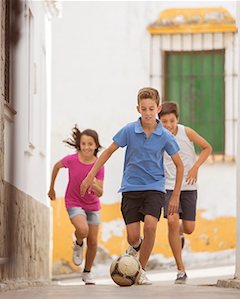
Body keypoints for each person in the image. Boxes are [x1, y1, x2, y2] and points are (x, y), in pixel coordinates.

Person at [80, 87, 184, 285]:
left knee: (151, 226)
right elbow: (108, 151)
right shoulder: (129, 130)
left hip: (155, 187)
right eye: (143, 109)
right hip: (130, 188)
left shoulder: (165, 136)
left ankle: (140, 270)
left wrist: (175, 195)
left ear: (158, 108)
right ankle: (135, 248)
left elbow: (179, 164)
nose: (147, 113)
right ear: (138, 108)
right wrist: (89, 176)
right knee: (133, 237)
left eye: (151, 109)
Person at [158, 101, 212, 284]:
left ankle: (179, 233)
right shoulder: (157, 136)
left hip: (188, 186)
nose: (168, 125)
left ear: (177, 119)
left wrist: (196, 167)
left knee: (188, 228)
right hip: (168, 186)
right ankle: (180, 269)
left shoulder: (186, 132)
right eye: (164, 121)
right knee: (172, 221)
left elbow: (207, 147)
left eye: (171, 121)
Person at [48, 125, 104, 285]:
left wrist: (93, 183)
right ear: (79, 145)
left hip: (92, 204)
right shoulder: (71, 160)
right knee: (83, 230)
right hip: (73, 201)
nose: (86, 147)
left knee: (93, 242)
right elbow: (57, 166)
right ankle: (78, 243)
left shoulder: (99, 165)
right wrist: (52, 187)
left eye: (90, 144)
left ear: (96, 146)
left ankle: (87, 272)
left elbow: (100, 193)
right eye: (84, 143)